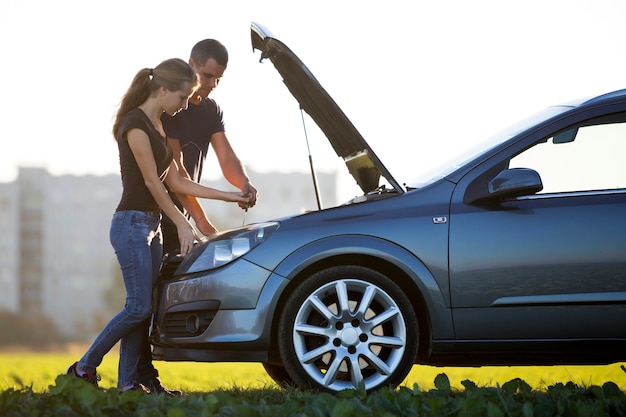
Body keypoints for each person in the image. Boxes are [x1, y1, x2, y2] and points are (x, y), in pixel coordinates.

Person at [66, 58, 251, 393]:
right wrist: (182, 222)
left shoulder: (159, 125)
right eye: (182, 97)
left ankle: (127, 386)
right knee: (138, 307)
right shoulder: (135, 124)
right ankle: (83, 368)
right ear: (163, 89)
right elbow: (153, 183)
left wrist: (230, 195)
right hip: (131, 224)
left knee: (145, 309)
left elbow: (178, 181)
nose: (184, 106)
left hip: (148, 225)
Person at [133, 39, 259, 394]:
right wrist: (199, 220)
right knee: (145, 300)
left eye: (218, 79)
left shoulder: (210, 110)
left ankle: (142, 377)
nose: (211, 85)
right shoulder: (173, 106)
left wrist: (244, 183)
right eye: (206, 75)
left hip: (183, 218)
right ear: (192, 65)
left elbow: (227, 157)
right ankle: (138, 375)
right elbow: (177, 177)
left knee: (155, 300)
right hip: (163, 215)